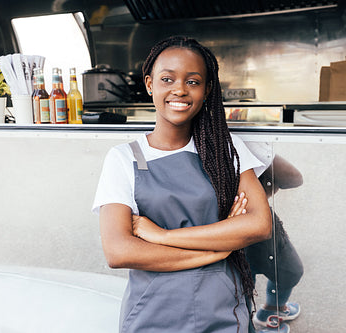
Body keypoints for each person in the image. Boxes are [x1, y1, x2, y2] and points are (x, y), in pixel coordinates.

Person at [92, 36, 273, 333]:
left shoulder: (226, 150)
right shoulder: (124, 158)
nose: (179, 89)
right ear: (150, 84)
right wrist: (217, 251)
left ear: (207, 90)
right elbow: (120, 252)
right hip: (154, 315)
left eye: (193, 81)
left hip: (224, 312)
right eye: (167, 79)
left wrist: (162, 236)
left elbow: (258, 225)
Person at [244, 143, 305, 333]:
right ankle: (265, 314)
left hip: (220, 227)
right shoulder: (246, 142)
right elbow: (293, 178)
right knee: (288, 271)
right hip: (253, 221)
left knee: (242, 287)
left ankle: (270, 310)